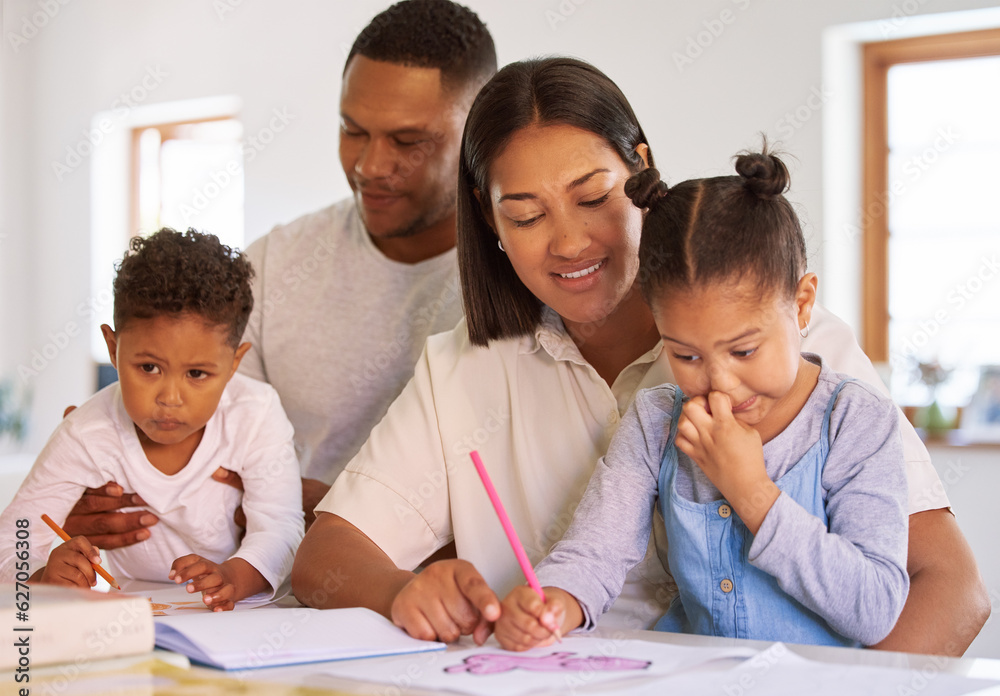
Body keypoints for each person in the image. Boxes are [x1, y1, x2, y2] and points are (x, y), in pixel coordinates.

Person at [293, 56, 988, 656]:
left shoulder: (800, 353)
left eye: (593, 197)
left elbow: (953, 591)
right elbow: (328, 555)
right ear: (486, 217)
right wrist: (405, 591)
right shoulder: (467, 368)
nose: (567, 243)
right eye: (527, 216)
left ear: (642, 172)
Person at [59, 0, 497, 543]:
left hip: (445, 605)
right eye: (352, 130)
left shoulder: (519, 275)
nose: (369, 166)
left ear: (479, 133)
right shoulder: (274, 265)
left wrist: (343, 511)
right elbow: (199, 457)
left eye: (408, 142)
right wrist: (105, 477)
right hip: (259, 597)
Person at [494, 150, 910, 651]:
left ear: (800, 306)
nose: (721, 384)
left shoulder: (854, 420)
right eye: (686, 355)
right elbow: (595, 553)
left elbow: (875, 609)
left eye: (744, 350)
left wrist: (752, 492)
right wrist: (556, 602)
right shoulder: (656, 421)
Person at [0, 229, 304, 610]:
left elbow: (282, 526)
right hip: (133, 616)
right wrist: (43, 577)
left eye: (197, 374)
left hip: (241, 613)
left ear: (233, 364)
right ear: (113, 349)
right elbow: (15, 537)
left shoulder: (256, 413)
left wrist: (234, 577)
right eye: (148, 367)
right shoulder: (87, 432)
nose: (170, 398)